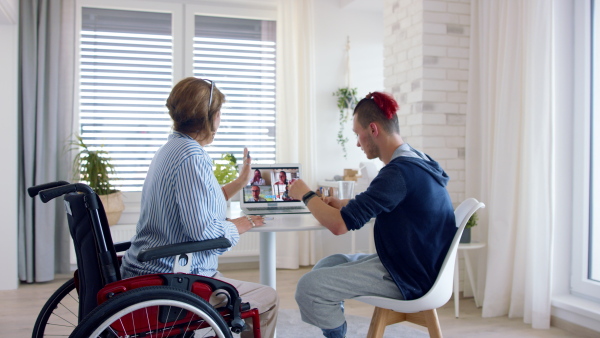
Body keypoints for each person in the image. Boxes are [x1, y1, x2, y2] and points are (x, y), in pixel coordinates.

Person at [120, 77, 278, 338]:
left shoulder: (172, 148)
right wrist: (243, 224)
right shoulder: (192, 157)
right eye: (219, 114)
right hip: (172, 277)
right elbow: (204, 234)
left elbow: (201, 200)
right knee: (268, 298)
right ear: (211, 117)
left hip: (150, 267)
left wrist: (241, 181)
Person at [288, 92, 455, 338]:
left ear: (373, 129)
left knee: (309, 287)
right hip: (415, 263)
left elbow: (338, 226)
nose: (357, 142)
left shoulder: (398, 172)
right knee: (327, 264)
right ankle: (335, 320)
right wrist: (344, 203)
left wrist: (305, 194)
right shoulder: (416, 160)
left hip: (409, 276)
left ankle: (337, 333)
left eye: (357, 134)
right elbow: (391, 203)